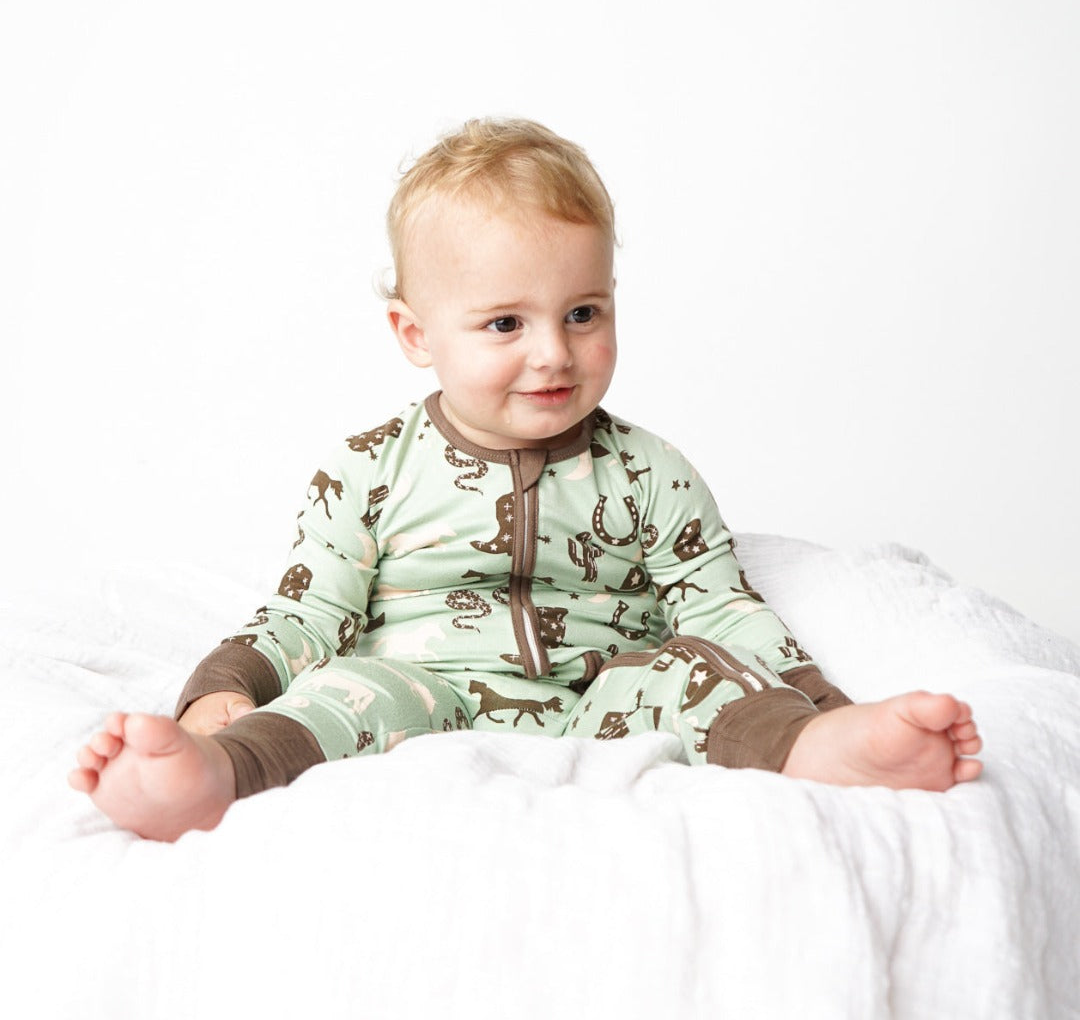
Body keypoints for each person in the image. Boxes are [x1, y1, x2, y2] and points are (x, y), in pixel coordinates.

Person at [69, 118, 983, 842]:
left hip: (604, 690)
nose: (554, 352)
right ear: (416, 335)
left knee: (693, 672)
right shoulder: (367, 472)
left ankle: (822, 750)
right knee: (341, 693)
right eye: (505, 323)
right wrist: (223, 694)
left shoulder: (649, 474)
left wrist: (821, 702)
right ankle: (216, 774)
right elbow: (310, 612)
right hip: (422, 684)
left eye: (583, 312)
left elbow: (720, 610)